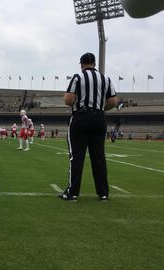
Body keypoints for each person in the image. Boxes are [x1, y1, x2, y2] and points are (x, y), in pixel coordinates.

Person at [59, 52, 117, 202]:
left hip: (81, 118)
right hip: (99, 118)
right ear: (95, 64)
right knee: (98, 156)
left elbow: (68, 100)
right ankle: (103, 193)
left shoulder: (78, 77)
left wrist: (79, 102)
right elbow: (113, 101)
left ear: (82, 64)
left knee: (76, 156)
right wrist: (100, 108)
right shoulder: (106, 79)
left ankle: (72, 193)